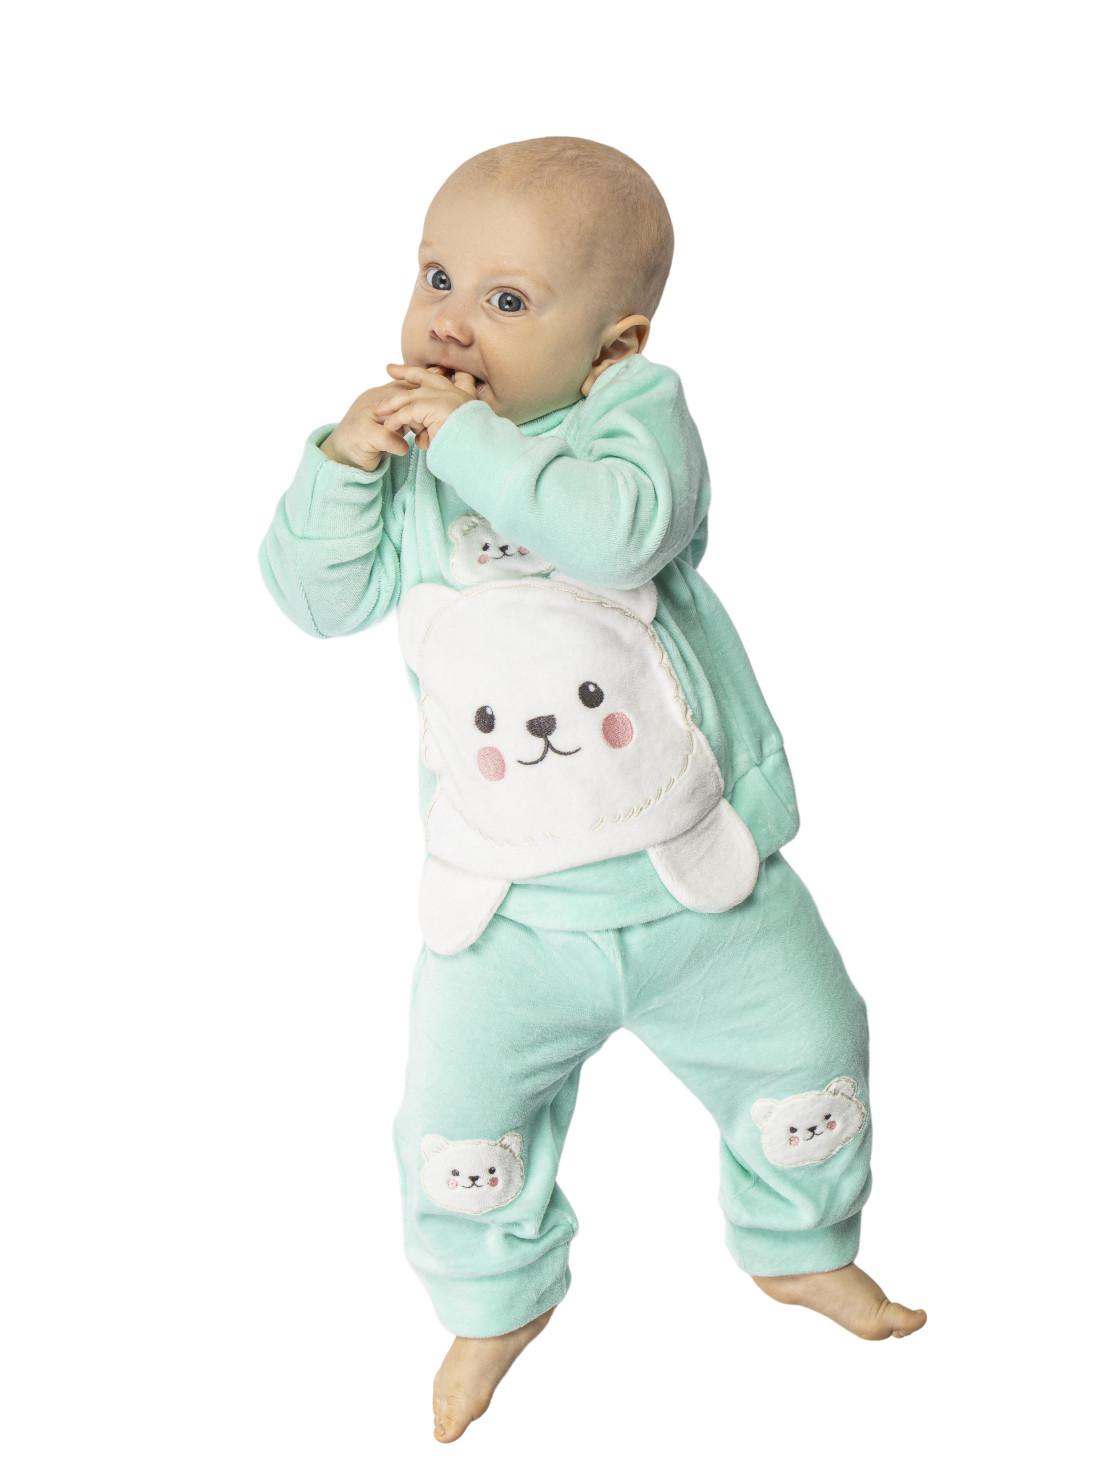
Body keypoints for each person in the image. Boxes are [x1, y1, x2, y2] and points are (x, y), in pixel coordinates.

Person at [259, 135, 926, 1444]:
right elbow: (314, 603)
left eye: (507, 299)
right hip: (505, 914)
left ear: (612, 344)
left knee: (812, 1056)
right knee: (457, 1127)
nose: (451, 320)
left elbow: (616, 533)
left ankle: (799, 1245)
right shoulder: (407, 462)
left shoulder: (633, 418)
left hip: (705, 885)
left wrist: (466, 438)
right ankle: (494, 1302)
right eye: (437, 276)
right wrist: (343, 466)